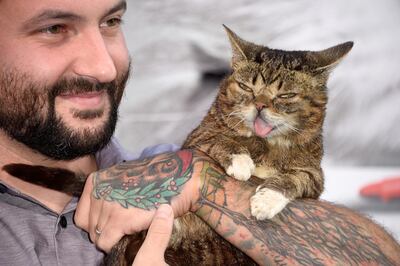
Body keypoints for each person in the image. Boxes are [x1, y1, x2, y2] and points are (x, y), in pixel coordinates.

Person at [0, 0, 399, 265]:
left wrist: (203, 181)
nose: (104, 67)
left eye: (111, 22)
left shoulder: (185, 166)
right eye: (53, 28)